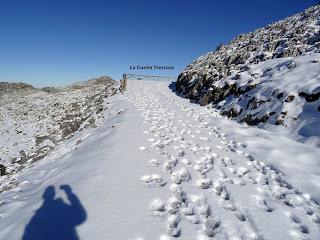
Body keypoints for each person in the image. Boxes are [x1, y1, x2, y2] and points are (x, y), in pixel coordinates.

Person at [22, 185, 87, 240]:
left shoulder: (39, 215)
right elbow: (81, 216)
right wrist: (69, 193)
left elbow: (29, 233)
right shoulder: (63, 210)